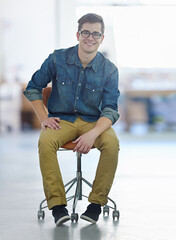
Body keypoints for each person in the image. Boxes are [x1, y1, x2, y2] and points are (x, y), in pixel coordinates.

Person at [23, 13, 120, 226]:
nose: (90, 37)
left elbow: (111, 110)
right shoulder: (57, 59)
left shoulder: (109, 69)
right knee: (46, 141)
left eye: (96, 33)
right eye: (86, 32)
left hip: (94, 122)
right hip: (62, 120)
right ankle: (58, 206)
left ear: (102, 38)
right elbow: (33, 88)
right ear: (78, 34)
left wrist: (93, 133)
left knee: (112, 143)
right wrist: (43, 118)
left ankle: (95, 204)